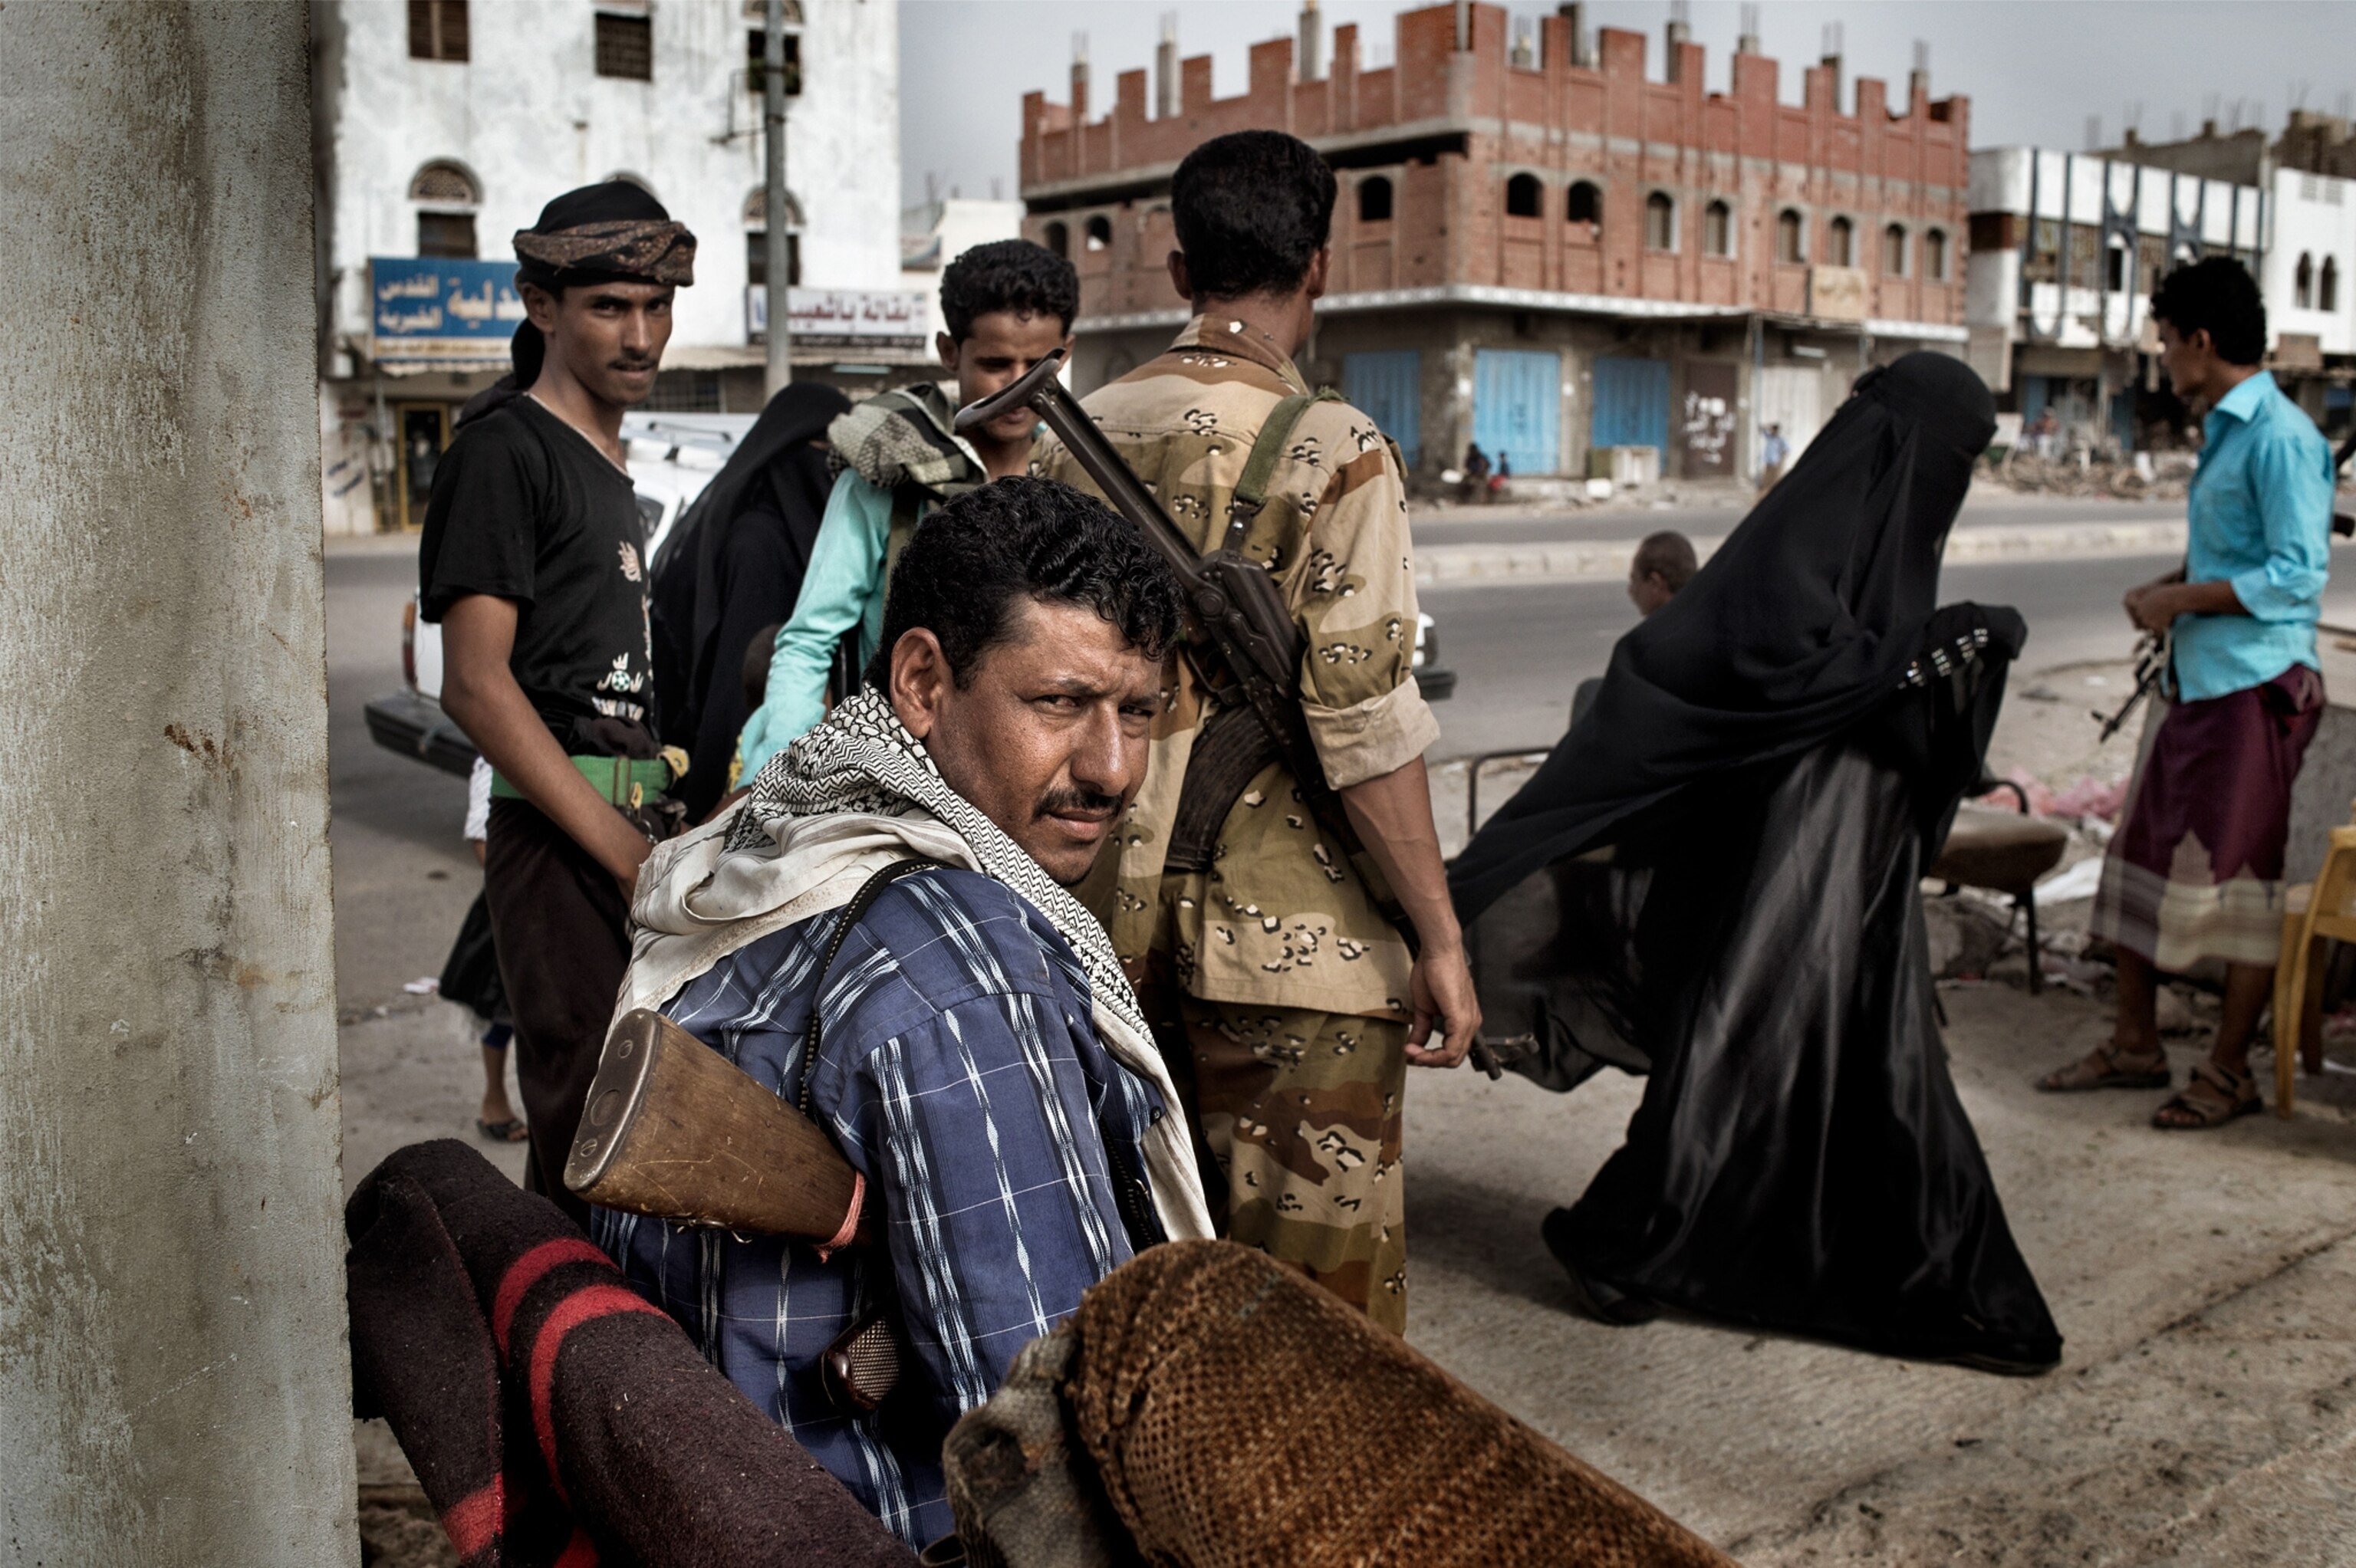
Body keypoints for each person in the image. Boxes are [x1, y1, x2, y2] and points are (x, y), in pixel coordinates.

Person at [598, 478, 1213, 1548]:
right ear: (924, 682)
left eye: (1140, 711)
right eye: (1060, 703)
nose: (1113, 768)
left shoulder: (778, 832)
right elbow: (1048, 1453)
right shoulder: (961, 966)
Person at [1450, 353, 2062, 1375]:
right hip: (1771, 890)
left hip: (1832, 890)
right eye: (1954, 461)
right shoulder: (1789, 567)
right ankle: (1632, 1242)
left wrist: (1941, 666)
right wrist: (1931, 656)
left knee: (1825, 1066)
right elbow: (1775, 668)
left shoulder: (1873, 563)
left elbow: (1881, 699)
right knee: (1746, 1060)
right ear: (1907, 456)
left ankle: (1639, 1240)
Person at [1034, 129, 1479, 1335]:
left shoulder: (1073, 433)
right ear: (1320, 268)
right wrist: (1440, 936)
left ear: (1180, 271)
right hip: (1299, 970)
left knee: (1130, 1310)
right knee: (1314, 1350)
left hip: (1096, 947)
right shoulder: (1338, 447)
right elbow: (1368, 724)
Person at [420, 179, 696, 1221]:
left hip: (630, 831)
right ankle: (565, 1370)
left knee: (633, 1132)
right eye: (609, 307)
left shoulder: (610, 462)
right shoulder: (505, 451)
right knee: (593, 1136)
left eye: (657, 306)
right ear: (542, 307)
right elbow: (476, 686)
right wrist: (618, 852)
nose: (641, 333)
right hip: (560, 840)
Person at [2039, 258, 2335, 1126]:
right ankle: (2136, 1041)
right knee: (2137, 860)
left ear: (2202, 343)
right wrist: (2170, 587)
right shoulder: (2227, 432)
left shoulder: (2280, 436)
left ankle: (2227, 1071)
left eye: (2167, 341)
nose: (2162, 358)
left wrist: (2181, 600)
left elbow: (2294, 578)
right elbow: (2232, 560)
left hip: (2254, 689)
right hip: (2197, 682)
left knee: (2242, 886)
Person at [733, 239, 1078, 778]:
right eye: (995, 364)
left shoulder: (1075, 473)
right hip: (896, 771)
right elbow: (809, 640)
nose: (1018, 385)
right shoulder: (889, 466)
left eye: (1038, 364)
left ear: (1067, 351)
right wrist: (777, 778)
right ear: (948, 351)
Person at [647, 382, 851, 821]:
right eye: (825, 454)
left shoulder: (798, 543)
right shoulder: (760, 544)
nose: (834, 473)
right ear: (788, 453)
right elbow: (734, 691)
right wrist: (730, 806)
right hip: (746, 782)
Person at [439, 758, 527, 1143]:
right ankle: (495, 1098)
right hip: (513, 900)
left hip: (555, 897)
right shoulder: (494, 759)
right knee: (502, 1007)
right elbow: (482, 842)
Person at [1627, 530, 1696, 617]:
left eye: (1635, 581)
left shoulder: (1664, 630)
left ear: (1655, 583)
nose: (1631, 591)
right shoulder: (1708, 622)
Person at [1757, 422, 1789, 489]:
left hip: (1775, 461)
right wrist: (1769, 426)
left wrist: (1782, 459)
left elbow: (1787, 449)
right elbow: (1761, 428)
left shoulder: (1780, 440)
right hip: (1768, 460)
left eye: (1774, 430)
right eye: (1772, 430)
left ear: (1777, 431)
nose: (1773, 431)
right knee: (1767, 476)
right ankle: (1766, 488)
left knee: (1774, 478)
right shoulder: (1769, 437)